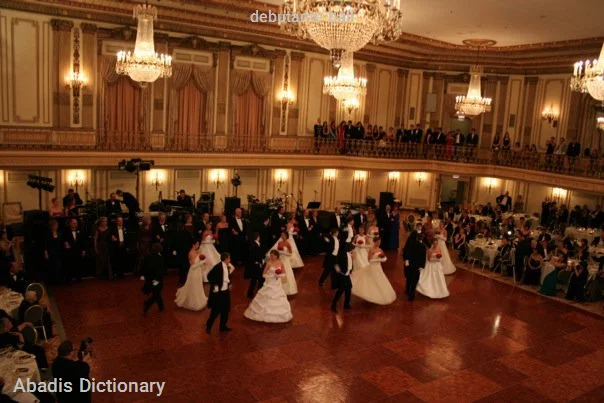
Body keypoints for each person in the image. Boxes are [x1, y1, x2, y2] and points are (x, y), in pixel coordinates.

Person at [244, 250, 293, 323]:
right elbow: (263, 274)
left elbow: (284, 272)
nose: (271, 257)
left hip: (277, 284)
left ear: (277, 256)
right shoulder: (268, 263)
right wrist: (271, 276)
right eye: (271, 255)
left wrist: (279, 275)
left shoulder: (281, 262)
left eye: (273, 255)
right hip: (270, 283)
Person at [351, 237, 396, 305]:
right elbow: (369, 260)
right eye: (377, 242)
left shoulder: (380, 250)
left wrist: (383, 259)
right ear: (374, 242)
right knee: (372, 280)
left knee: (379, 280)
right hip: (372, 267)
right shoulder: (371, 250)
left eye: (379, 242)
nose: (379, 243)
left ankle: (379, 295)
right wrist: (378, 260)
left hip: (378, 268)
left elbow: (385, 257)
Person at [174, 239, 208, 311]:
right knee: (194, 287)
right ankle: (194, 302)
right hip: (194, 272)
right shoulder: (191, 253)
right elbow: (193, 266)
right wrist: (202, 262)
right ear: (193, 245)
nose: (198, 245)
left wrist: (203, 261)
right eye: (197, 244)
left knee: (198, 285)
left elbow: (199, 261)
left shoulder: (197, 251)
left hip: (198, 272)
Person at [206, 252, 234, 333]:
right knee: (215, 311)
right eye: (229, 258)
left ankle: (222, 326)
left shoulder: (227, 267)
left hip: (226, 292)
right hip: (219, 293)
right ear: (226, 259)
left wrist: (229, 284)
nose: (230, 259)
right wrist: (215, 285)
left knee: (225, 310)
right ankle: (208, 326)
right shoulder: (217, 267)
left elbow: (226, 278)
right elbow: (209, 276)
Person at [402, 225, 427, 301]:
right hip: (417, 266)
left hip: (410, 264)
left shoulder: (412, 244)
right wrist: (422, 266)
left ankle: (407, 290)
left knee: (409, 278)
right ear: (421, 238)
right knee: (414, 280)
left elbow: (407, 253)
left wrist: (406, 261)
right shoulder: (423, 247)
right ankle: (411, 295)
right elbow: (423, 258)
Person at [143, 243, 165, 314]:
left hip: (149, 279)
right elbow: (160, 270)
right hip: (156, 279)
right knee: (157, 293)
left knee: (157, 293)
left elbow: (145, 269)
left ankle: (161, 307)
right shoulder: (160, 258)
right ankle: (148, 304)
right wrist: (158, 280)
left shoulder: (148, 257)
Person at [331, 243, 354, 313]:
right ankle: (333, 305)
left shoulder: (350, 255)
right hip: (342, 275)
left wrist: (350, 271)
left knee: (349, 288)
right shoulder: (342, 255)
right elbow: (336, 264)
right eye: (353, 249)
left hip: (347, 274)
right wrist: (340, 272)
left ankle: (346, 304)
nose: (354, 250)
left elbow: (350, 265)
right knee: (341, 290)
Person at [63, 218, 85, 283]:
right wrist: (65, 243)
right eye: (74, 223)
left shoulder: (80, 231)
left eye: (76, 223)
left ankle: (78, 278)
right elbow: (63, 240)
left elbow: (82, 241)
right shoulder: (66, 232)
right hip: (69, 251)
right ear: (70, 224)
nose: (75, 225)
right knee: (69, 265)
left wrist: (83, 250)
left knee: (78, 265)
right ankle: (68, 279)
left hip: (78, 251)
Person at [245, 232, 264, 298]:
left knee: (256, 280)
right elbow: (255, 256)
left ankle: (251, 293)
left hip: (255, 265)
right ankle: (255, 293)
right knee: (258, 279)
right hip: (255, 265)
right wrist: (261, 261)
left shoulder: (255, 244)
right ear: (257, 237)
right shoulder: (254, 245)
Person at [44, 219, 63, 283]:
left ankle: (59, 280)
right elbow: (45, 244)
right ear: (51, 226)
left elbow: (61, 243)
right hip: (51, 252)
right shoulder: (48, 234)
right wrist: (46, 253)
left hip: (59, 252)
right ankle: (52, 280)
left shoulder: (60, 233)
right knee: (52, 266)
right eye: (55, 225)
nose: (56, 226)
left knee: (59, 266)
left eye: (57, 225)